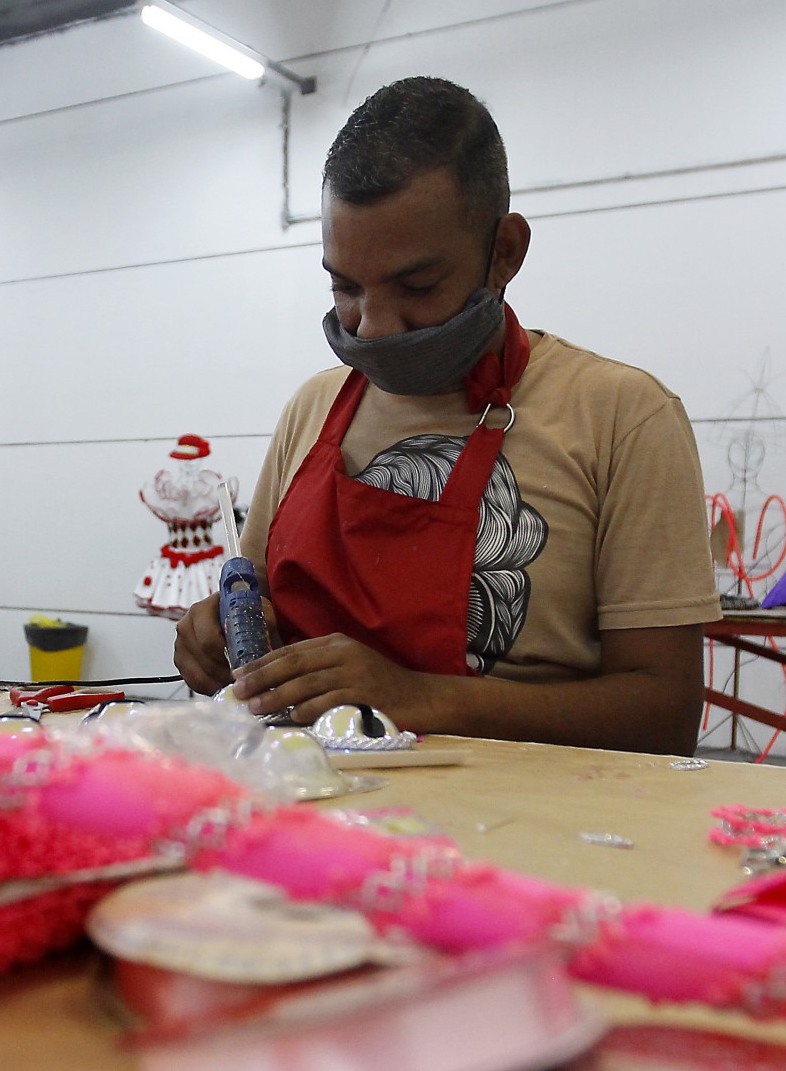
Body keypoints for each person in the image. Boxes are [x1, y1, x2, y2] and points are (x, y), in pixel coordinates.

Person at [174, 78, 717, 755]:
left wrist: (417, 696)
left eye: (417, 287)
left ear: (505, 253)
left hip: (527, 834)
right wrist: (218, 636)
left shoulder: (620, 417)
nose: (372, 327)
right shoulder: (313, 409)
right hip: (307, 819)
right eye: (345, 286)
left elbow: (663, 714)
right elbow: (252, 610)